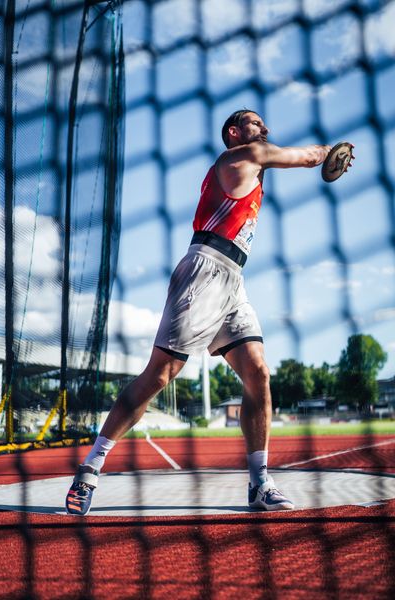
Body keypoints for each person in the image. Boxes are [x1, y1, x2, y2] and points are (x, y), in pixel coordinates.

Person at [65, 109, 333, 516]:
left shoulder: (252, 166)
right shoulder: (240, 157)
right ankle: (90, 468)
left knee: (258, 371)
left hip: (233, 278)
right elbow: (310, 157)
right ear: (234, 132)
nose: (265, 128)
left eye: (264, 123)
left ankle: (260, 483)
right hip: (204, 271)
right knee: (160, 375)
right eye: (256, 123)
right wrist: (329, 150)